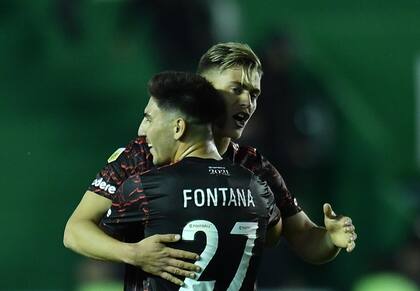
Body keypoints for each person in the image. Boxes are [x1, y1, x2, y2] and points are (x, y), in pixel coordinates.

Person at [64, 42, 357, 287]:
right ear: (203, 90)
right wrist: (133, 253)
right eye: (236, 89)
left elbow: (305, 237)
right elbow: (76, 230)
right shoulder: (143, 155)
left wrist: (330, 238)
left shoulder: (254, 166)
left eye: (253, 93)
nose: (247, 102)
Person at [66, 71, 282, 290]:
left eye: (149, 118)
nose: (143, 129)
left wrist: (134, 253)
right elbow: (272, 235)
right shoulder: (257, 187)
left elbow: (75, 234)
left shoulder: (144, 187)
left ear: (178, 127)